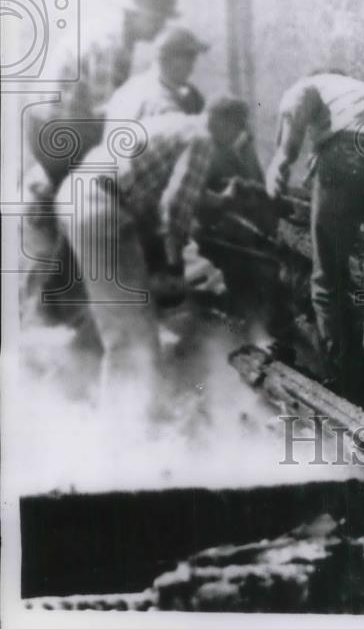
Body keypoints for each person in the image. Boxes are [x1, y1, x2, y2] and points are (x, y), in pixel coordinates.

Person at [55, 96, 251, 421]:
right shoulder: (203, 138)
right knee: (133, 330)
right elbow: (175, 207)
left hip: (79, 196)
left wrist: (219, 201)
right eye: (238, 131)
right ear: (228, 123)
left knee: (119, 320)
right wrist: (175, 265)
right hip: (102, 207)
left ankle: (123, 413)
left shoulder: (176, 123)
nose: (234, 140)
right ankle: (137, 425)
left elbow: (177, 189)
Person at [21, 0, 180, 325]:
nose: (160, 30)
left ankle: (61, 300)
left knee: (83, 199)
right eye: (159, 19)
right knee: (100, 200)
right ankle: (64, 306)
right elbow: (106, 116)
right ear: (141, 13)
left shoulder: (115, 35)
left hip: (56, 121)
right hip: (58, 124)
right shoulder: (110, 44)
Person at [265, 70, 364, 412]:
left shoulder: (315, 82)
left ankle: (346, 383)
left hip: (345, 153)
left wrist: (283, 157)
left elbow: (297, 100)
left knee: (328, 278)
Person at [104, 25, 207, 122]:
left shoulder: (135, 84)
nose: (192, 63)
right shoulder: (159, 102)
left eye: (193, 57)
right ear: (166, 58)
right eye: (188, 56)